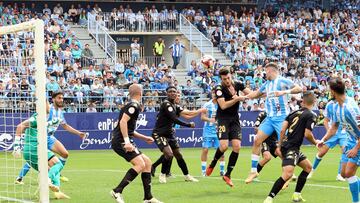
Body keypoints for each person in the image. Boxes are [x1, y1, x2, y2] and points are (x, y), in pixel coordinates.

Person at [245, 62, 302, 184]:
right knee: (256, 140)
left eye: (266, 72)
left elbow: (299, 88)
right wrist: (243, 97)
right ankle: (254, 170)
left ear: (271, 71)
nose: (265, 74)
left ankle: (288, 174)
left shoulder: (282, 81)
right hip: (270, 118)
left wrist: (284, 92)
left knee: (285, 147)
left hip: (282, 118)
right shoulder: (266, 84)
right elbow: (255, 94)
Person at [15, 91, 86, 184]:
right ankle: (20, 177)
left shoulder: (60, 112)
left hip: (49, 137)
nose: (61, 100)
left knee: (65, 154)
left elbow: (65, 126)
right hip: (40, 138)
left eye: (62, 98)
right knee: (36, 158)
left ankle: (56, 173)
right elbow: (30, 123)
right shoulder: (47, 110)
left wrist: (78, 133)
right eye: (59, 98)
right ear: (53, 99)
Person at [263, 91, 319, 203]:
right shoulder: (312, 115)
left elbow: (283, 130)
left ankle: (296, 195)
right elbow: (308, 134)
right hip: (292, 148)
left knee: (308, 167)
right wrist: (315, 142)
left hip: (287, 146)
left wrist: (279, 145)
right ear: (314, 101)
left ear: (303, 101)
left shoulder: (293, 113)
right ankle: (269, 198)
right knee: (288, 173)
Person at [110, 84, 162, 203]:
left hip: (122, 139)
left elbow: (129, 128)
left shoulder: (131, 105)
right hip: (121, 141)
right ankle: (117, 191)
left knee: (147, 163)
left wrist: (144, 138)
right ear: (141, 92)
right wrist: (127, 142)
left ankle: (148, 197)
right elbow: (123, 122)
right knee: (140, 164)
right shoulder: (134, 105)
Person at [13, 103, 70, 199]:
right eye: (47, 104)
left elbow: (41, 126)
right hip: (35, 149)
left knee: (51, 169)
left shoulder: (41, 119)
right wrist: (16, 147)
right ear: (42, 106)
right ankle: (47, 180)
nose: (49, 106)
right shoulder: (36, 117)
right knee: (58, 164)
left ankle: (57, 192)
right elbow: (20, 126)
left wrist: (51, 123)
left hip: (30, 152)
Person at [317, 78, 360, 203]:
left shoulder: (351, 108)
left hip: (357, 142)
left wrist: (356, 148)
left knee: (350, 173)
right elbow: (334, 127)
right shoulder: (336, 107)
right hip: (351, 140)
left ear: (332, 91)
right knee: (344, 173)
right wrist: (323, 140)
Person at [152, 86, 205, 184]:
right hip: (159, 134)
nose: (173, 93)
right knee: (169, 154)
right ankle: (163, 174)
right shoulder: (166, 104)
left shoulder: (175, 106)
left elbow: (188, 114)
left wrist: (200, 111)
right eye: (170, 91)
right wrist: (188, 125)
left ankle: (187, 176)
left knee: (178, 155)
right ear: (167, 93)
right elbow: (174, 119)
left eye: (174, 91)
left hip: (169, 134)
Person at [205, 67, 249, 187]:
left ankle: (228, 174)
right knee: (224, 146)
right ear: (221, 79)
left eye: (228, 78)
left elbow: (250, 94)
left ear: (231, 75)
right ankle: (213, 163)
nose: (227, 81)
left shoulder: (238, 84)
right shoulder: (219, 88)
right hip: (222, 119)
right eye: (224, 79)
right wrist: (237, 99)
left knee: (237, 146)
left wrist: (262, 93)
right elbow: (223, 105)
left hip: (234, 119)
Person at [307, 98, 347, 181]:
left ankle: (339, 175)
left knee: (344, 150)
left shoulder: (346, 103)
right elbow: (325, 121)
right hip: (332, 132)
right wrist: (329, 131)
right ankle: (311, 170)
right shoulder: (330, 105)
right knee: (322, 152)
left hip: (343, 133)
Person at [200, 89, 225, 176]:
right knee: (205, 149)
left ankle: (222, 170)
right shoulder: (207, 104)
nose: (214, 94)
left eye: (216, 93)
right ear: (211, 94)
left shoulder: (222, 104)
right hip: (208, 130)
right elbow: (202, 117)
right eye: (213, 93)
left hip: (218, 131)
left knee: (221, 151)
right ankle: (203, 170)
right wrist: (210, 119)